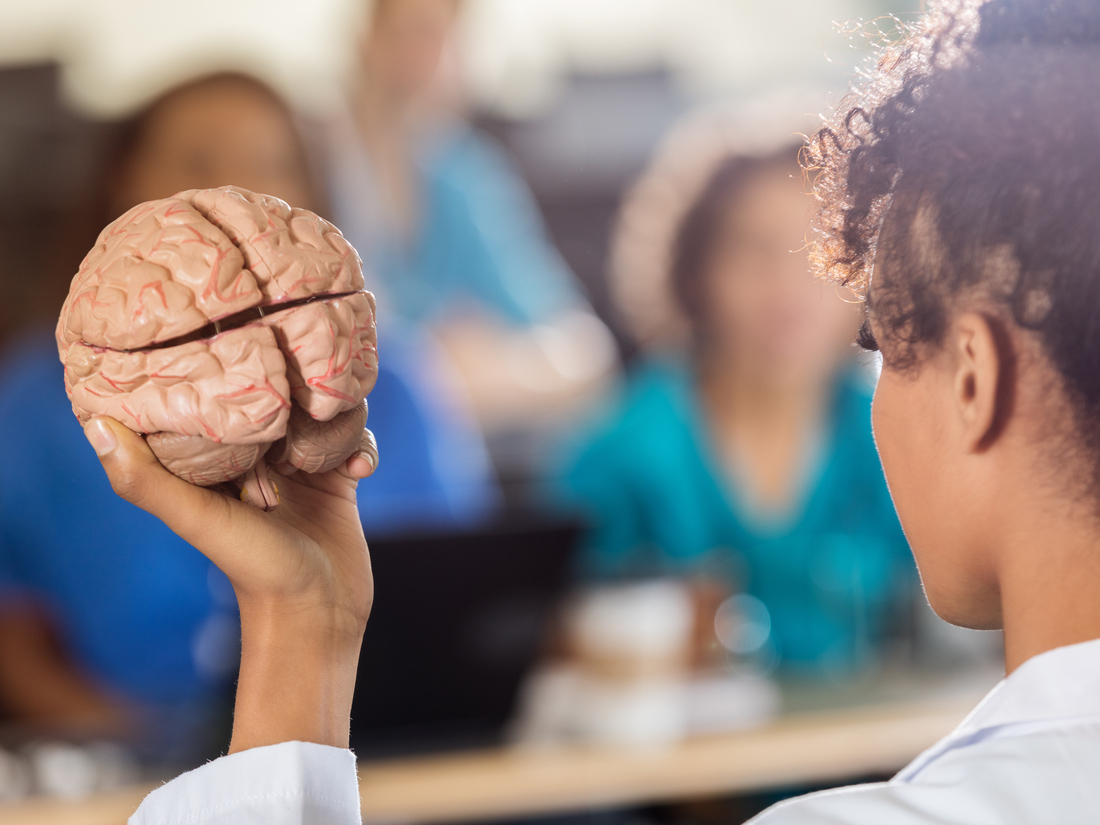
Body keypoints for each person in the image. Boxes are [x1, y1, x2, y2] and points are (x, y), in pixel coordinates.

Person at [0, 72, 496, 754]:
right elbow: (12, 639)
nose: (235, 187)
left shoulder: (393, 386)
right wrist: (141, 757)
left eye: (272, 161)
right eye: (200, 161)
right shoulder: (30, 405)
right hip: (134, 770)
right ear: (122, 179)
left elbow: (475, 602)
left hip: (391, 750)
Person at [554, 144, 913, 675]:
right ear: (695, 270)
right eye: (756, 250)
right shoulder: (620, 457)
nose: (789, 286)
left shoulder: (897, 441)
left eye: (823, 250)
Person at [328, 0, 618, 431]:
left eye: (438, 37)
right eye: (407, 31)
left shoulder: (465, 176)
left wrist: (500, 372)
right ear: (364, 37)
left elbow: (582, 351)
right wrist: (434, 371)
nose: (422, 56)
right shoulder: (309, 169)